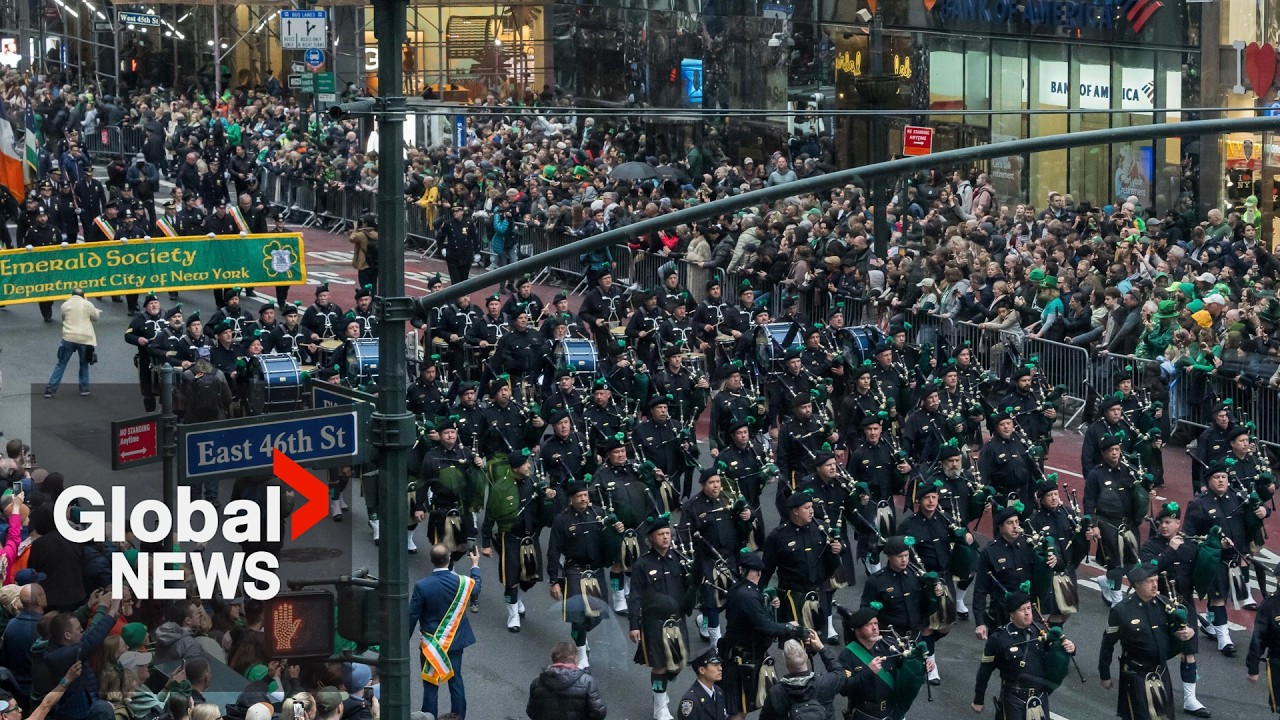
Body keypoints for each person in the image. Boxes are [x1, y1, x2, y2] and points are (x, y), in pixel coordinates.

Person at [1098, 561, 1196, 720]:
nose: (1155, 585)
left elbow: (1180, 627)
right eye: (1149, 582)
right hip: (1136, 675)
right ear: (1137, 584)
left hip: (1160, 671)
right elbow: (1108, 643)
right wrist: (1105, 674)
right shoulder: (1122, 610)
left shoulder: (1164, 604)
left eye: (1156, 580)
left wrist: (1188, 632)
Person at [972, 589, 1077, 720]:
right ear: (1012, 614)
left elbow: (1056, 653)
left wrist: (1071, 648)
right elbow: (985, 671)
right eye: (1022, 610)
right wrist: (978, 699)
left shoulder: (1041, 630)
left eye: (1029, 608)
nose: (1027, 613)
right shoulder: (999, 639)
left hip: (1039, 696)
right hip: (1014, 698)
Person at [411, 544, 482, 719]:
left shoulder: (422, 586)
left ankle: (428, 717)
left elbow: (412, 615)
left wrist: (404, 639)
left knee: (430, 684)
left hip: (431, 645)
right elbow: (477, 588)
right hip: (456, 641)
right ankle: (458, 717)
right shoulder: (462, 582)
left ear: (431, 560)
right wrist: (475, 566)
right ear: (449, 559)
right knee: (456, 681)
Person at [525, 640, 608, 720]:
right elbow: (598, 713)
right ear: (575, 658)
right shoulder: (587, 681)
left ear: (553, 659)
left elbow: (531, 711)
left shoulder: (537, 683)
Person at [44, 288, 99, 398]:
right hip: (85, 338)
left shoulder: (65, 305)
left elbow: (64, 318)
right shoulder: (87, 304)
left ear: (72, 295)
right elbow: (95, 317)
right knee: (84, 364)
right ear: (83, 295)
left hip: (69, 337)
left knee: (61, 363)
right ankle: (84, 389)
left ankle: (50, 389)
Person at [675, 648, 729, 720]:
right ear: (702, 670)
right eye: (715, 665)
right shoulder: (690, 701)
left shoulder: (718, 691)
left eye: (720, 664)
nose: (720, 668)